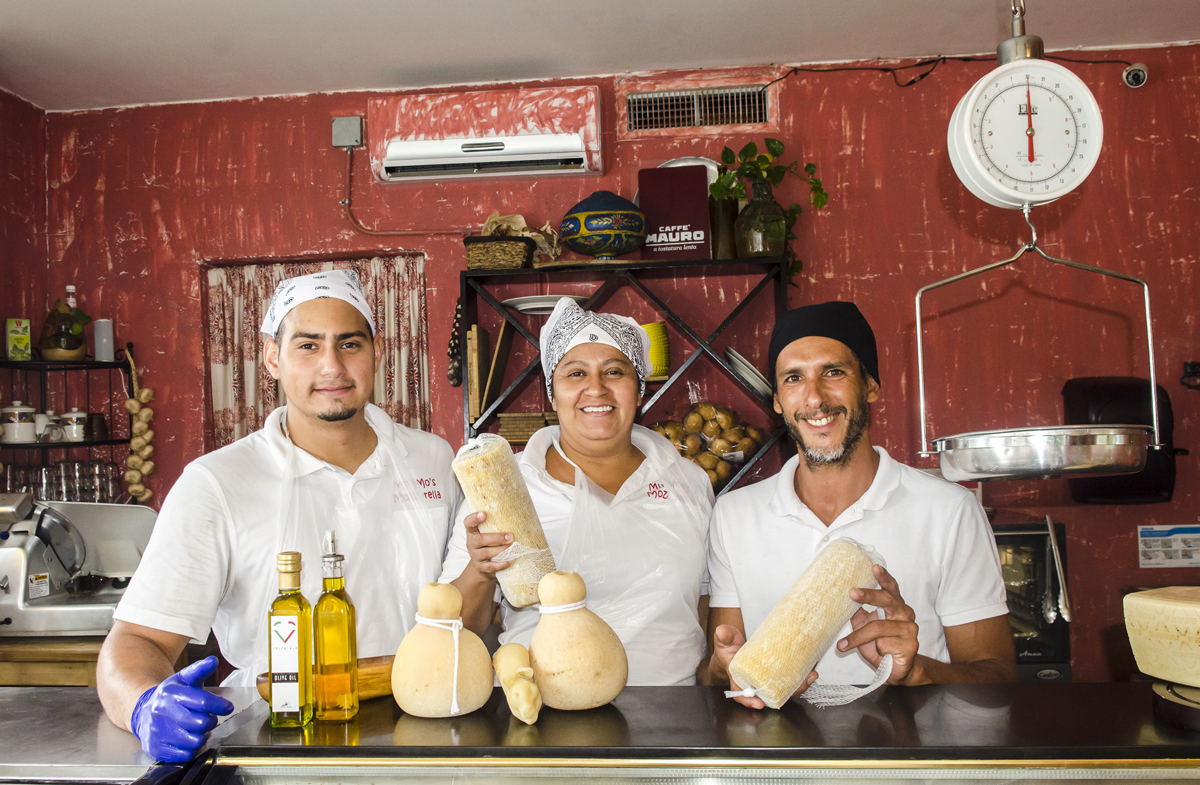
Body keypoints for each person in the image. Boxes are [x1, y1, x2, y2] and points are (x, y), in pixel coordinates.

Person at [97, 270, 460, 761]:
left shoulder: (434, 460)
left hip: (430, 742)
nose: (332, 366)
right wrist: (143, 705)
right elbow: (136, 639)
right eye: (307, 346)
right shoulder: (218, 484)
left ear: (377, 352)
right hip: (279, 749)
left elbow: (473, 608)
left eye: (349, 344)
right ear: (272, 357)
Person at [704, 301, 1016, 708]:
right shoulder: (734, 516)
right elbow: (721, 672)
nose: (814, 398)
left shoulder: (948, 511)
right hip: (781, 758)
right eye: (794, 378)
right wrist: (721, 669)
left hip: (911, 762)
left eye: (833, 372)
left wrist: (915, 670)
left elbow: (1000, 679)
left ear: (870, 386)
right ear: (778, 400)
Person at [440, 297, 714, 686]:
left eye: (615, 372)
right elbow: (455, 631)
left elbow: (702, 607)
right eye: (575, 374)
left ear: (639, 392)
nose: (596, 389)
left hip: (670, 715)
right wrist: (481, 572)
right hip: (542, 715)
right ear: (553, 395)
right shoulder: (505, 485)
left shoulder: (688, 482)